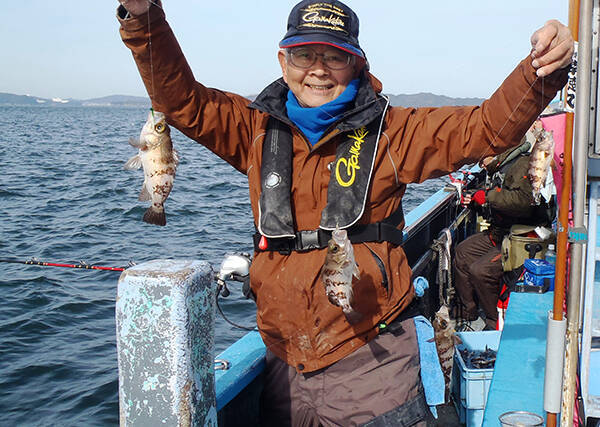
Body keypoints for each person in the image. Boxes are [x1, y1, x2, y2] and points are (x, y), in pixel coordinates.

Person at [116, 0, 573, 425]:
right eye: (303, 55)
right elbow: (179, 102)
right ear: (283, 62)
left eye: (333, 56)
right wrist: (142, 16)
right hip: (283, 359)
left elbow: (485, 130)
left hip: (371, 359)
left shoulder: (395, 132)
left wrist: (541, 70)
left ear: (356, 63)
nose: (317, 70)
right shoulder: (253, 127)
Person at [453, 123, 555, 332]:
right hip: (501, 233)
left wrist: (487, 197)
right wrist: (475, 198)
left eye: (485, 153)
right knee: (462, 252)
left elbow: (523, 202)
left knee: (480, 270)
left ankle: (493, 321)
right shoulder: (499, 168)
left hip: (522, 238)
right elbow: (499, 194)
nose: (481, 160)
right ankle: (468, 312)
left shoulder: (522, 165)